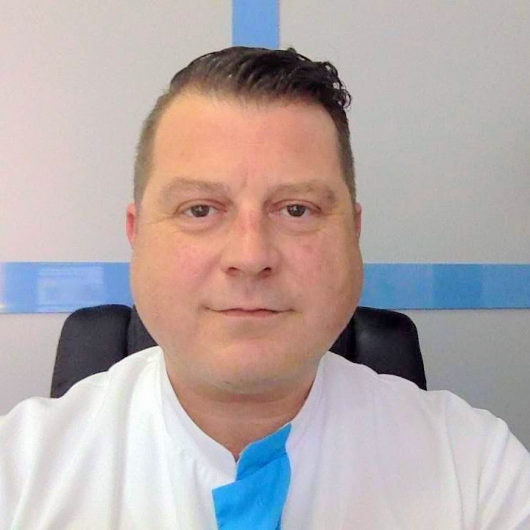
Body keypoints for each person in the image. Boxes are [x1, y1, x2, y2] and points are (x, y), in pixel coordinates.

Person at [1, 46, 529, 529]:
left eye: (297, 210)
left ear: (353, 233)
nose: (250, 257)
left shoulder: (476, 472)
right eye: (200, 210)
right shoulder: (20, 476)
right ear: (137, 234)